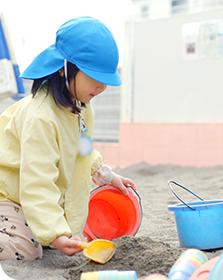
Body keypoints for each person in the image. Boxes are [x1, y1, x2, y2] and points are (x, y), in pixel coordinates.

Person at [0, 17, 135, 260]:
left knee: (49, 233)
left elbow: (83, 149)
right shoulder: (41, 117)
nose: (102, 86)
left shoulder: (81, 106)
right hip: (8, 193)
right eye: (94, 77)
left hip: (27, 195)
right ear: (64, 67)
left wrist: (105, 174)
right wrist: (55, 234)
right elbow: (37, 181)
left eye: (106, 79)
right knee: (28, 250)